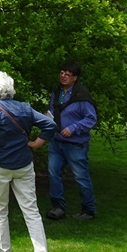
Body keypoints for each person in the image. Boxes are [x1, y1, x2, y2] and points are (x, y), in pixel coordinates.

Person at [0, 70, 56, 252]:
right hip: (23, 164)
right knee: (31, 211)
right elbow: (49, 124)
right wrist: (38, 142)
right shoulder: (24, 108)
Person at [45, 60, 98, 221]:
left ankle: (88, 210)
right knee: (54, 174)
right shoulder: (56, 92)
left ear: (75, 78)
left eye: (68, 74)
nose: (63, 76)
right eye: (62, 73)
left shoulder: (81, 95)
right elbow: (51, 110)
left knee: (80, 176)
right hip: (56, 140)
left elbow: (91, 118)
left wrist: (74, 128)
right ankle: (58, 207)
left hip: (75, 144)